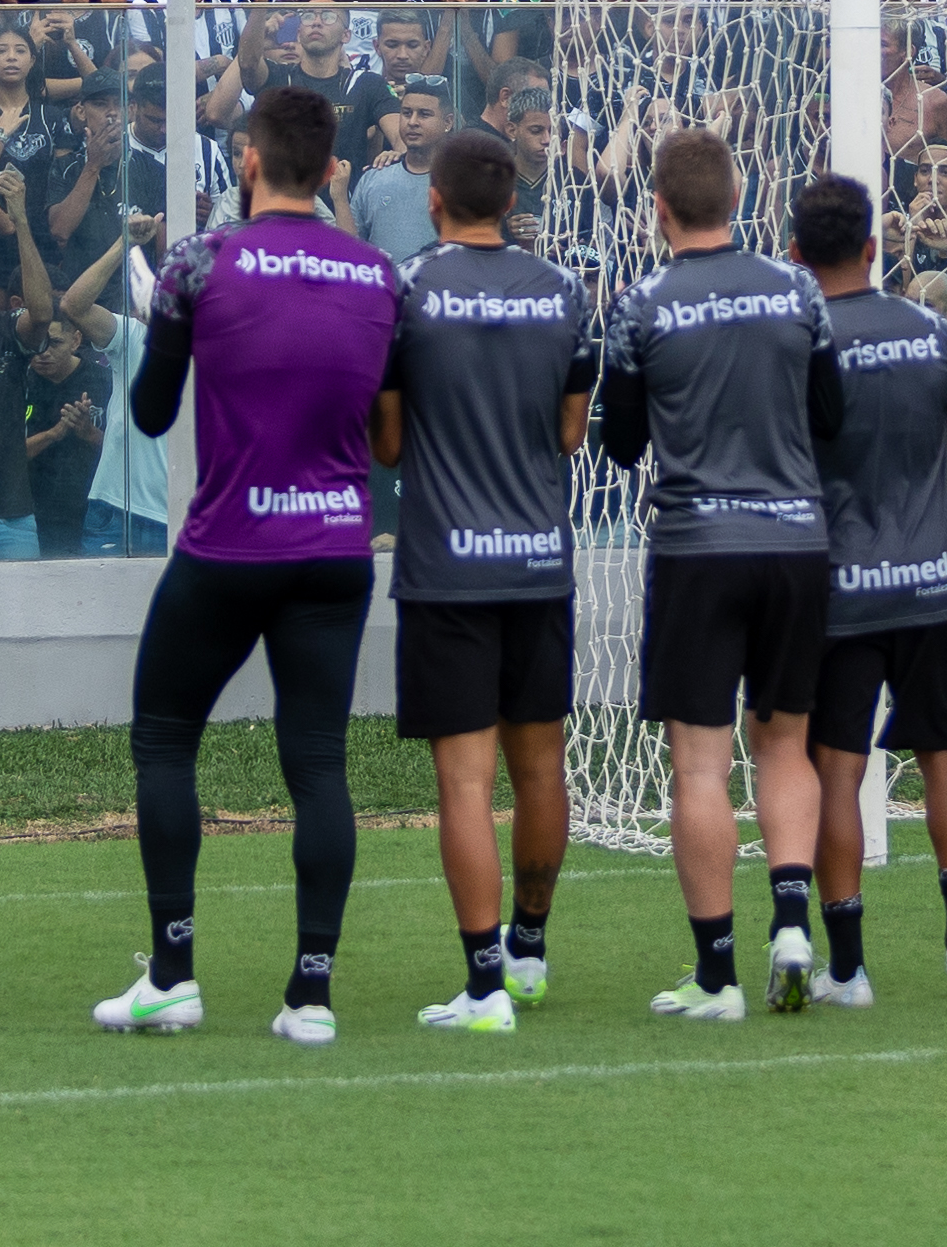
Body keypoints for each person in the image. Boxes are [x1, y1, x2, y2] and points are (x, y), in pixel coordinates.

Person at [99, 83, 394, 1046]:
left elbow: (148, 413)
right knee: (316, 763)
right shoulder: (378, 274)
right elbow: (391, 436)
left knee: (164, 738)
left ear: (250, 161)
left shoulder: (202, 261)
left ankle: (174, 975)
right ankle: (311, 993)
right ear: (333, 168)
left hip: (229, 546)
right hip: (336, 549)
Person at [594, 121, 845, 1020]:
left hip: (698, 544)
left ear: (658, 208)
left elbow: (620, 444)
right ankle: (790, 924)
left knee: (700, 765)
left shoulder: (642, 302)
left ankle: (716, 976)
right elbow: (830, 415)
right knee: (785, 740)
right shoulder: (797, 290)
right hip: (793, 541)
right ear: (739, 201)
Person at [373, 121, 588, 1031]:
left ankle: (485, 984)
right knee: (541, 769)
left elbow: (386, 442)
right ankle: (531, 953)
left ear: (433, 198)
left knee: (464, 784)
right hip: (539, 559)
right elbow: (571, 434)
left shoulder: (406, 288)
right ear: (512, 201)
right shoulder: (565, 291)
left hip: (448, 568)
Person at [796, 169, 947, 1005]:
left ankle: (848, 968)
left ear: (799, 255)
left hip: (838, 589)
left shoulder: (799, 341)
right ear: (876, 247)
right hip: (928, 584)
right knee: (943, 753)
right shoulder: (935, 333)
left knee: (835, 772)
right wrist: (916, 479)